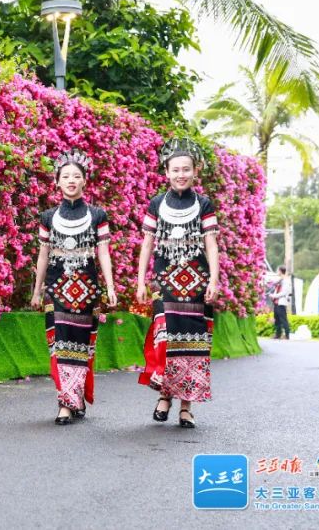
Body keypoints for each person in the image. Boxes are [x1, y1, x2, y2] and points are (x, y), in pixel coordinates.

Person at [136, 138, 219, 429]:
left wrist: (215, 279)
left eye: (186, 169)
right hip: (165, 281)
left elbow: (211, 242)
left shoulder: (204, 204)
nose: (181, 174)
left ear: (195, 171)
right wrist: (140, 281)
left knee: (192, 345)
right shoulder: (156, 204)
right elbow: (146, 244)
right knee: (165, 340)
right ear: (166, 172)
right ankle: (164, 396)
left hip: (197, 284)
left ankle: (186, 407)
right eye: (175, 170)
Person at [31, 149, 118, 425]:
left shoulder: (97, 215)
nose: (71, 180)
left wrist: (111, 286)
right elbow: (43, 255)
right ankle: (65, 402)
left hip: (87, 289)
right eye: (65, 176)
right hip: (56, 288)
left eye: (76, 176)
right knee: (59, 344)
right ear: (57, 182)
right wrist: (36, 290)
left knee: (80, 346)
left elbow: (103, 252)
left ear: (84, 181)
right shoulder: (47, 217)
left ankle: (75, 397)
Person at [271, 266, 292, 339]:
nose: (277, 272)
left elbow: (284, 292)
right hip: (276, 302)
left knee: (283, 319)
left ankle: (287, 335)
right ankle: (278, 334)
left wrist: (274, 296)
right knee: (277, 319)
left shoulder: (286, 280)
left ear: (280, 271)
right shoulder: (280, 280)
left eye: (277, 270)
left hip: (281, 302)